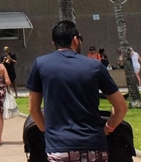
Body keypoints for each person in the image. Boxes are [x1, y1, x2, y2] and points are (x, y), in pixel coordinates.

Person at [26, 20, 128, 162]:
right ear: (75, 39)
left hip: (58, 146)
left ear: (54, 43)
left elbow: (33, 108)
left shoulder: (41, 64)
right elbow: (121, 106)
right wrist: (107, 128)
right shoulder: (95, 66)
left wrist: (47, 132)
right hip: (94, 145)